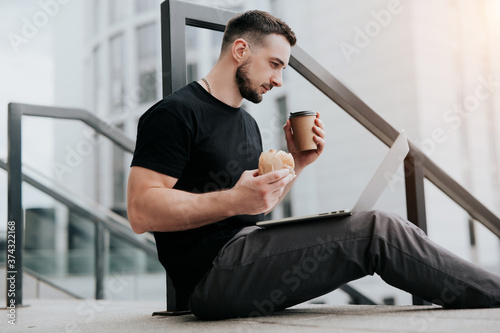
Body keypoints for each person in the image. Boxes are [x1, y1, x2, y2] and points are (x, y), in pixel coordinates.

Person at [127, 10, 500, 320]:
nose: (278, 79)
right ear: (240, 49)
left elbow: (257, 203)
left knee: (375, 224)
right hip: (211, 277)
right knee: (376, 231)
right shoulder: (175, 114)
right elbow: (141, 211)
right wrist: (234, 201)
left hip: (246, 250)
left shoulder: (247, 123)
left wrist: (299, 165)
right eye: (274, 64)